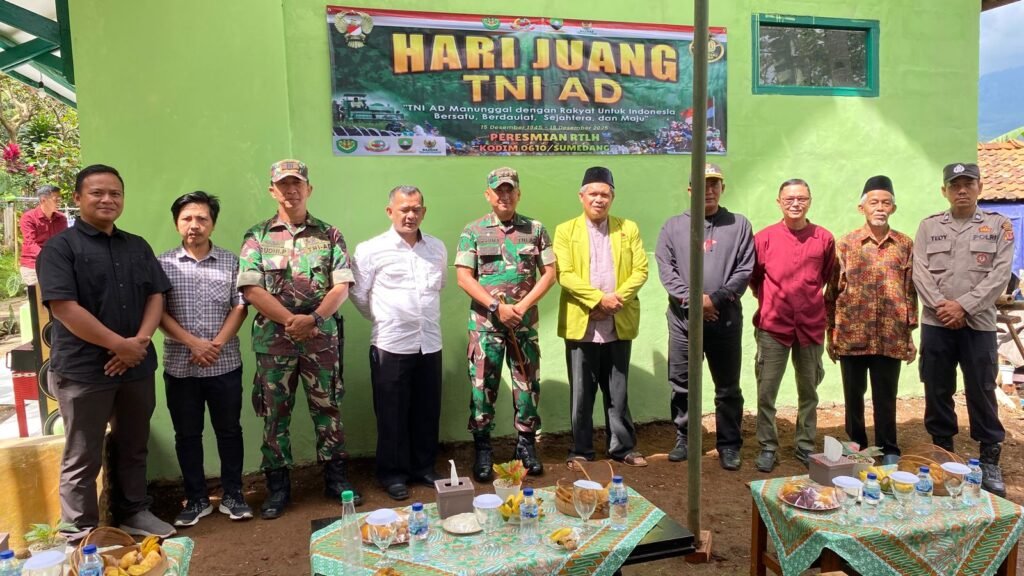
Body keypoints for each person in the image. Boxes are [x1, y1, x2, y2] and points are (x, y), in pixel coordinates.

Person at [36, 164, 175, 538]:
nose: (107, 199)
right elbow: (64, 307)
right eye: (97, 193)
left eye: (115, 193)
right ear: (78, 198)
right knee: (82, 453)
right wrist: (118, 345)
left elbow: (156, 295)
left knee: (134, 444)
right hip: (84, 371)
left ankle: (134, 512)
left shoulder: (137, 246)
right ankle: (79, 531)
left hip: (136, 367)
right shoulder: (59, 249)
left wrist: (139, 342)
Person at [238, 159, 358, 519]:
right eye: (283, 185)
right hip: (274, 342)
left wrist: (314, 319)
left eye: (297, 184)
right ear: (272, 190)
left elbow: (342, 285)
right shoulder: (257, 236)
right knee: (275, 414)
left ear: (309, 189)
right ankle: (278, 488)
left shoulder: (329, 234)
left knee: (329, 408)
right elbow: (251, 289)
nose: (291, 190)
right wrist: (291, 321)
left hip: (320, 339)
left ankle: (336, 480)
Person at [913, 162, 1012, 496]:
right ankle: (943, 455)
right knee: (937, 388)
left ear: (980, 187)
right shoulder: (928, 227)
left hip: (978, 324)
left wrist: (964, 306)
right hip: (937, 323)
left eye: (968, 184)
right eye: (955, 185)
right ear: (944, 191)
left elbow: (1000, 274)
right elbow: (920, 272)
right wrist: (944, 308)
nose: (962, 190)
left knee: (981, 389)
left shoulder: (998, 226)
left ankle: (989, 460)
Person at [455, 167, 556, 481]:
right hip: (485, 325)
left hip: (522, 325)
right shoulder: (473, 231)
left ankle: (525, 445)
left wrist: (521, 307)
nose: (505, 196)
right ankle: (483, 448)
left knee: (527, 384)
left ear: (518, 193)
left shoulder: (535, 229)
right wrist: (497, 307)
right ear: (488, 195)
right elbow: (464, 277)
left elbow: (550, 274)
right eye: (498, 190)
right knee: (482, 387)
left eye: (510, 190)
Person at [158, 191, 252, 526]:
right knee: (187, 435)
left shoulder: (231, 262)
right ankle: (196, 498)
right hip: (180, 367)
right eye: (187, 218)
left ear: (212, 223)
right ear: (176, 223)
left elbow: (240, 307)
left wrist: (215, 345)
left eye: (202, 218)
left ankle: (233, 494)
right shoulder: (162, 264)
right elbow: (157, 312)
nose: (194, 225)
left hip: (224, 365)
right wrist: (193, 344)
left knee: (229, 431)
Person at [350, 186, 447, 501]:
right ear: (390, 211)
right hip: (390, 344)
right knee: (391, 412)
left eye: (416, 209)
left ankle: (424, 467)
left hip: (429, 342)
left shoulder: (436, 248)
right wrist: (384, 319)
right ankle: (392, 474)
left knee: (427, 409)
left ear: (424, 212)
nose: (410, 215)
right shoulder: (371, 249)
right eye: (404, 209)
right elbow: (358, 294)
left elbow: (439, 287)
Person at [655, 163, 754, 470]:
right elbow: (667, 271)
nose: (708, 190)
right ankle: (686, 439)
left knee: (727, 387)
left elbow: (744, 270)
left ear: (723, 188)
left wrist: (715, 301)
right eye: (702, 184)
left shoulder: (738, 225)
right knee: (682, 385)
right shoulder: (673, 227)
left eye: (714, 184)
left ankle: (729, 444)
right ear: (690, 190)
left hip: (725, 321)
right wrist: (696, 302)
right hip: (684, 322)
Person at [554, 167, 649, 467]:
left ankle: (623, 447)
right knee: (582, 393)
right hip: (581, 322)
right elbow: (564, 274)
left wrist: (612, 302)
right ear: (581, 197)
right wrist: (597, 299)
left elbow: (641, 270)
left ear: (612, 197)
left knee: (618, 391)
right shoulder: (565, 231)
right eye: (593, 193)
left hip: (618, 321)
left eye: (604, 194)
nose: (599, 199)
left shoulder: (627, 228)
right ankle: (581, 450)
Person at [825, 176, 917, 465]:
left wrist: (909, 335)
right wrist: (831, 333)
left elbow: (910, 291)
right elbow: (832, 291)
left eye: (886, 203)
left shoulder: (904, 244)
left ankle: (888, 447)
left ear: (893, 208)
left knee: (886, 396)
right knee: (853, 397)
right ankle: (856, 447)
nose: (880, 208)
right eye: (874, 202)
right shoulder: (845, 244)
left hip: (890, 335)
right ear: (861, 208)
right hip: (852, 334)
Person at [751, 179, 835, 472]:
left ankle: (805, 445)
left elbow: (825, 276)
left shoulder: (823, 238)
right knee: (766, 390)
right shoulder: (764, 239)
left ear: (810, 201)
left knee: (809, 390)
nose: (795, 204)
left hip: (811, 326)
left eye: (801, 198)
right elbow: (755, 278)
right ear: (779, 202)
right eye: (789, 199)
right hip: (773, 326)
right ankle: (768, 446)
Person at [19, 184, 67, 285]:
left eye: (60, 199)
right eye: (56, 199)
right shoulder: (28, 218)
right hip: (33, 265)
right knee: (36, 293)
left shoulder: (61, 219)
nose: (59, 201)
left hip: (56, 264)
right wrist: (50, 257)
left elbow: (64, 242)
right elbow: (30, 243)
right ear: (43, 200)